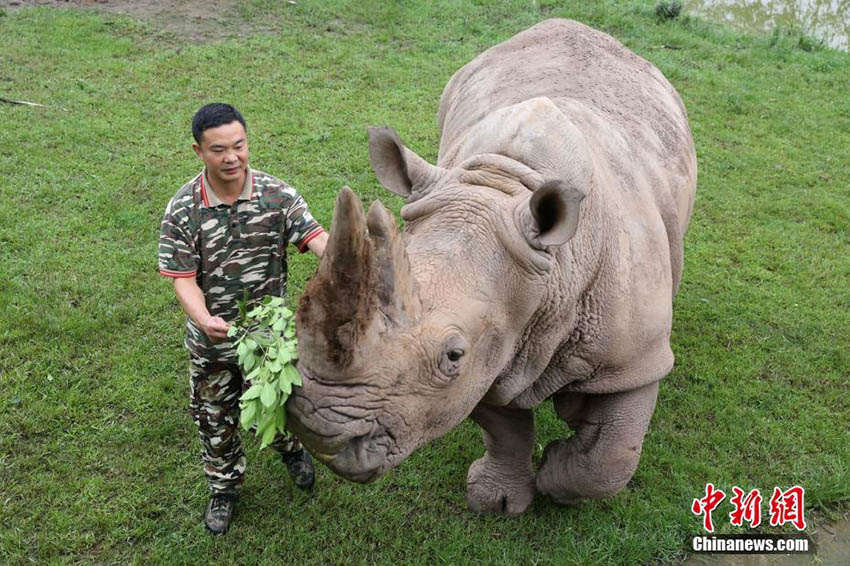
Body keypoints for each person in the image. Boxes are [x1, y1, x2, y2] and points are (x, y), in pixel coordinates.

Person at [158, 103, 328, 534]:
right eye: (219, 150)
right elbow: (183, 280)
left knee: (281, 403)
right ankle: (224, 486)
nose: (232, 157)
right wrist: (203, 318)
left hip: (269, 338)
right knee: (215, 416)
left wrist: (347, 258)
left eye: (239, 145)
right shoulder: (183, 209)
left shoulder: (277, 195)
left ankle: (291, 451)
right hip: (212, 340)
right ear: (199, 151)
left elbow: (315, 236)